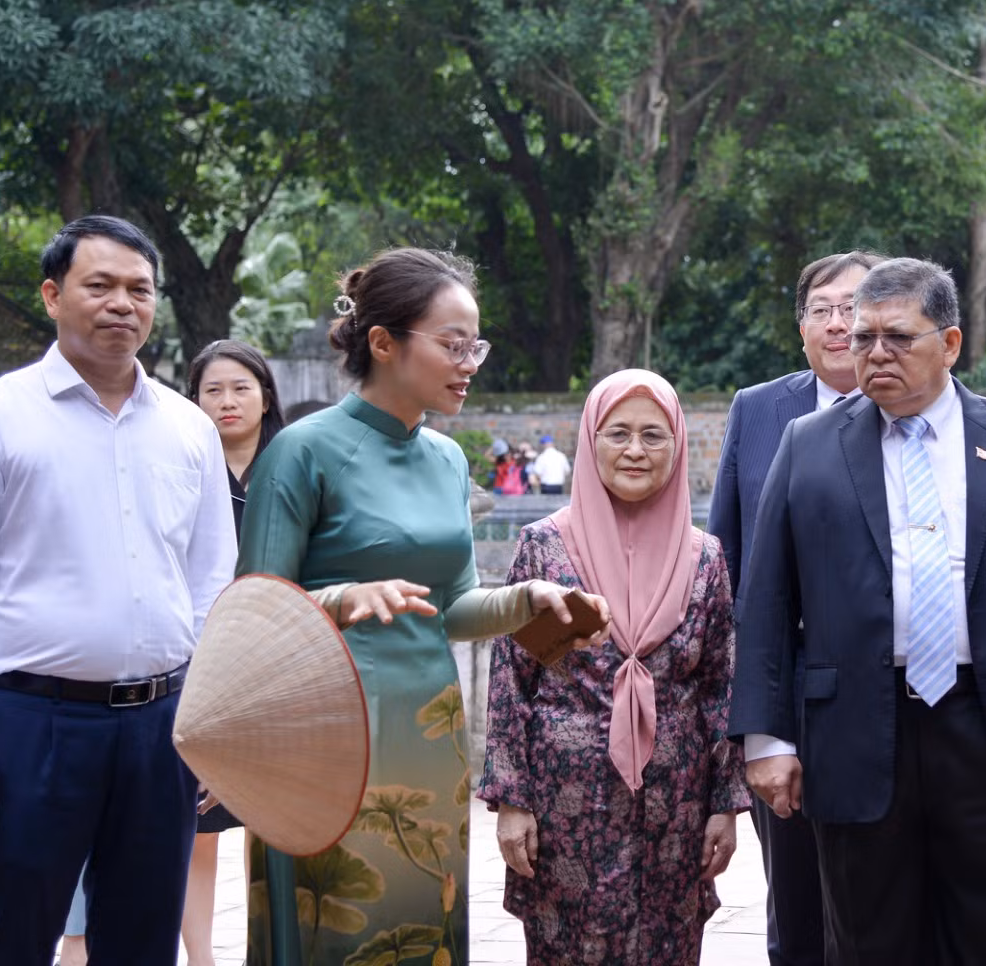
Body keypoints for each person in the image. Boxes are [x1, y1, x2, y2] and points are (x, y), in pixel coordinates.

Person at [235, 246, 608, 966]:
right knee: (335, 923)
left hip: (430, 735)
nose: (471, 362)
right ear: (383, 343)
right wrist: (345, 597)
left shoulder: (445, 459)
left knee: (421, 923)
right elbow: (254, 613)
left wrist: (529, 599)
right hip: (330, 734)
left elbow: (456, 607)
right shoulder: (302, 453)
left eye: (477, 344)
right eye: (454, 344)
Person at [730, 257, 986, 966]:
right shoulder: (808, 447)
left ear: (952, 342)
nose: (874, 353)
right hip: (857, 734)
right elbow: (768, 600)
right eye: (864, 337)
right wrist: (768, 740)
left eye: (898, 337)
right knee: (871, 943)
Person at [0, 215, 238, 965]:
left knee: (142, 934)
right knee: (18, 929)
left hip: (161, 725)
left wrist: (210, 723)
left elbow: (209, 585)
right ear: (53, 294)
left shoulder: (189, 429)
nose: (122, 303)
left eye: (140, 289)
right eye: (100, 286)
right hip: (32, 721)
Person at [481, 369, 748, 963]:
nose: (634, 450)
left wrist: (725, 806)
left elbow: (719, 689)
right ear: (590, 439)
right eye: (618, 432)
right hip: (563, 810)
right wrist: (512, 801)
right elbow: (511, 683)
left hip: (673, 813)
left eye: (654, 435)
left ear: (677, 445)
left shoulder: (705, 558)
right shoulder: (544, 548)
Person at [706, 248, 883, 966]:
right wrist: (748, 722)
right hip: (786, 695)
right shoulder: (758, 409)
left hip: (890, 697)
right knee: (797, 905)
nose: (839, 324)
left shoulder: (915, 409)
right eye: (823, 309)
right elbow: (728, 558)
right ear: (800, 326)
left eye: (855, 307)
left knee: (888, 900)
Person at [180, 338, 288, 966]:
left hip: (282, 664)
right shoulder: (184, 464)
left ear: (265, 395)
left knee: (273, 828)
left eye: (240, 388)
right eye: (212, 390)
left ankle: (270, 949)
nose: (226, 402)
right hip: (203, 665)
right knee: (198, 827)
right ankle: (201, 956)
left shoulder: (293, 464)